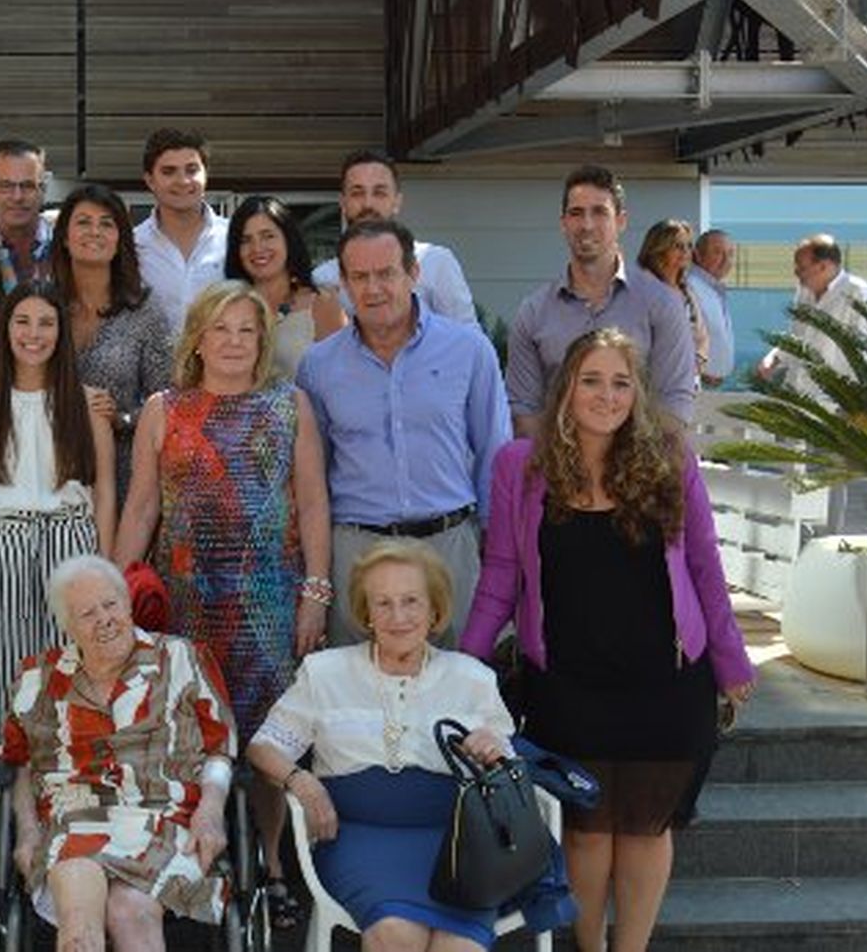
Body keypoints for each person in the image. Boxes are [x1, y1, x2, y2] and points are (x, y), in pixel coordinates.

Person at [461, 328, 756, 952]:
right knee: (588, 833)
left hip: (668, 685)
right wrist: (464, 669)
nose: (606, 395)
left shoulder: (670, 459)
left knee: (648, 831)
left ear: (639, 392)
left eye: (621, 382)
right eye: (591, 379)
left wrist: (731, 661)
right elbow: (499, 578)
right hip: (567, 686)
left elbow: (705, 565)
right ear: (567, 387)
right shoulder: (520, 465)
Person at [114, 279, 332, 925]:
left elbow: (314, 501)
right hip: (183, 601)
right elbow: (143, 504)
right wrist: (120, 589)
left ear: (262, 342)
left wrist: (315, 592)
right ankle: (194, 858)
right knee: (185, 732)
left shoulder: (290, 405)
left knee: (267, 732)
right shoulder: (165, 406)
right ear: (199, 338)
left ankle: (268, 863)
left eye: (248, 330)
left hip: (266, 600)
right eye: (222, 328)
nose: (234, 341)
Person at [248, 540, 517, 952]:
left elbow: (507, 761)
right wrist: (301, 780)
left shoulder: (472, 678)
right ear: (366, 613)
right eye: (383, 603)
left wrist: (493, 750)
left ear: (434, 609)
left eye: (411, 601)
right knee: (395, 931)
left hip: (456, 842)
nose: (398, 617)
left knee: (459, 945)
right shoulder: (326, 672)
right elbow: (264, 746)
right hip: (358, 837)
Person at [1, 554, 237, 951]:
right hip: (74, 818)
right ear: (67, 627)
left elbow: (219, 749)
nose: (104, 619)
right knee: (79, 928)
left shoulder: (181, 658)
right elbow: (19, 763)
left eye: (110, 604)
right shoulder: (37, 677)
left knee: (132, 912)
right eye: (86, 613)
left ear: (128, 603)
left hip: (164, 817)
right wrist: (26, 831)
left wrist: (211, 810)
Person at [297, 219, 509, 647]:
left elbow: (494, 454)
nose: (373, 289)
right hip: (357, 552)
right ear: (343, 284)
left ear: (413, 274)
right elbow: (313, 477)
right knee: (358, 701)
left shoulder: (468, 350)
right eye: (360, 277)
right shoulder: (318, 365)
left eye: (386, 273)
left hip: (449, 548)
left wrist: (498, 553)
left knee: (457, 692)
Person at [0, 283, 115, 814]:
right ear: (4, 331)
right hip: (3, 545)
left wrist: (108, 576)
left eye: (46, 323)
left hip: (72, 542)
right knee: (2, 681)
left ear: (61, 333)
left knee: (74, 678)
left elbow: (106, 493)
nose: (34, 334)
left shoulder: (85, 402)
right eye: (22, 322)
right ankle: (0, 825)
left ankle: (73, 815)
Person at [506, 164, 696, 436]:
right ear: (563, 223)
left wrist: (623, 467)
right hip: (557, 472)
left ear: (621, 221)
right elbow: (523, 410)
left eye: (599, 212)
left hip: (637, 471)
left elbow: (674, 405)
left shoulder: (661, 304)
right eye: (576, 213)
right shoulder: (534, 311)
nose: (586, 225)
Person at [53, 183, 173, 503]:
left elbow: (169, 399)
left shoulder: (144, 310)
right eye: (83, 222)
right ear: (64, 237)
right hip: (50, 473)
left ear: (120, 239)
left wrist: (123, 418)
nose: (95, 231)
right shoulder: (43, 306)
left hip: (126, 478)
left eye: (107, 224)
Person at [311, 148, 477, 323]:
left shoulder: (436, 262)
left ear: (397, 202)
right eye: (357, 193)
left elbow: (469, 339)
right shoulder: (323, 278)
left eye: (379, 193)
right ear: (343, 203)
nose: (368, 203)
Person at [224, 195, 345, 377]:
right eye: (245, 240)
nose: (257, 248)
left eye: (268, 236)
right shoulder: (226, 307)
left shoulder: (321, 303)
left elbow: (341, 380)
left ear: (289, 240)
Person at [132, 128, 229, 331]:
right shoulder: (132, 246)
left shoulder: (233, 238)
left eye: (192, 170)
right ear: (150, 180)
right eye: (169, 171)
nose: (183, 181)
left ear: (206, 175)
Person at [757, 232, 867, 399]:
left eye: (801, 267)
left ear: (823, 266)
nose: (796, 272)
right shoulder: (803, 290)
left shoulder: (856, 292)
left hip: (834, 403)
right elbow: (796, 336)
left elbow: (862, 350)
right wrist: (773, 358)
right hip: (797, 393)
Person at [637, 218, 708, 385]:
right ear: (659, 249)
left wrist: (698, 362)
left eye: (688, 246)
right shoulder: (641, 290)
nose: (685, 251)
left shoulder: (688, 292)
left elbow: (702, 335)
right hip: (651, 387)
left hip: (687, 384)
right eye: (677, 246)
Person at [0, 138, 53, 291]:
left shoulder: (70, 251)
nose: (17, 197)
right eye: (6, 186)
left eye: (28, 186)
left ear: (43, 191)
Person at [686, 229, 736, 386]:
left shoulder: (712, 289)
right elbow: (682, 337)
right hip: (697, 385)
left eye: (730, 254)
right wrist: (700, 373)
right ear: (698, 255)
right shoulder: (690, 287)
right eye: (718, 253)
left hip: (713, 386)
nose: (726, 260)